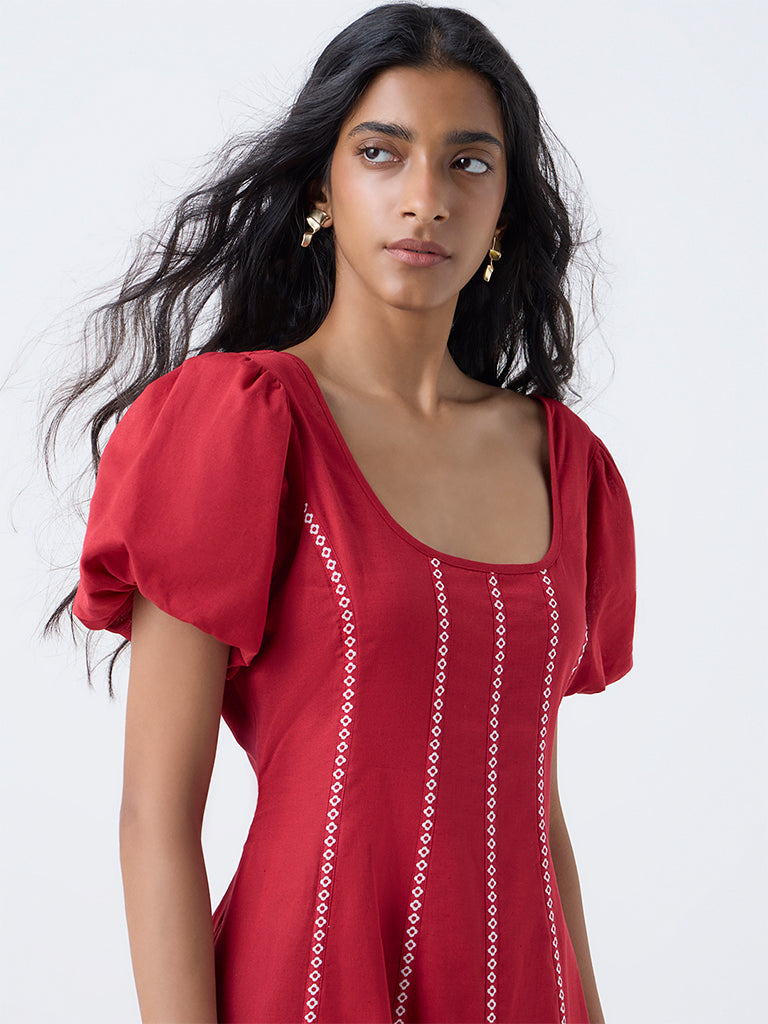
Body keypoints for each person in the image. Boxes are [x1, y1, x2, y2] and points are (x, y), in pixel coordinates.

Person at [43, 3, 636, 1022]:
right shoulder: (235, 426)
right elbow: (155, 817)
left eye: (469, 162)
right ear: (323, 184)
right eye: (381, 152)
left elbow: (535, 819)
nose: (425, 198)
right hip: (309, 983)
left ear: (506, 206)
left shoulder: (566, 463)